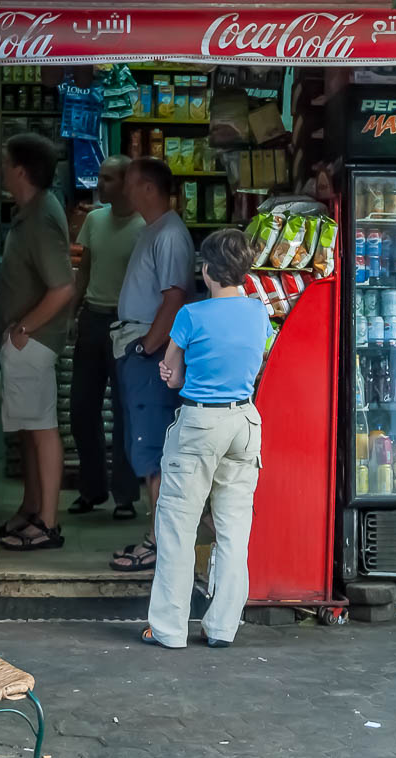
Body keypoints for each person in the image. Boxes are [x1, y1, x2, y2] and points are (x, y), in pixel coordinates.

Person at [139, 229, 271, 649]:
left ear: (207, 270)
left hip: (199, 423)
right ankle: (222, 628)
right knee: (234, 530)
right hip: (245, 422)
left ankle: (169, 629)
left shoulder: (191, 316)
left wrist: (172, 373)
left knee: (178, 527)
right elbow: (255, 362)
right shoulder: (258, 313)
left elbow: (173, 374)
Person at [108, 158, 195, 572]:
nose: (122, 190)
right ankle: (158, 536)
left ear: (147, 188)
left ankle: (162, 542)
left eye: (129, 183)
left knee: (154, 449)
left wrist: (147, 348)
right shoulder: (154, 231)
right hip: (138, 346)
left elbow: (174, 297)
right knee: (144, 449)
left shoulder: (170, 234)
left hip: (150, 351)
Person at [0, 133, 77, 551]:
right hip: (28, 339)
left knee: (42, 428)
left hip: (34, 341)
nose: (1, 169)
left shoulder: (42, 216)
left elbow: (62, 287)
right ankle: (32, 509)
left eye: (6, 162)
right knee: (28, 427)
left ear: (21, 170)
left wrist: (24, 329)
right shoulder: (32, 211)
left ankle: (46, 522)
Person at [70, 156, 145, 520]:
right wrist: (72, 313)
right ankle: (92, 489)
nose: (100, 183)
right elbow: (84, 270)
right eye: (100, 176)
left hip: (128, 324)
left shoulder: (145, 227)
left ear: (127, 182)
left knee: (124, 413)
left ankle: (125, 496)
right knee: (82, 410)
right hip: (92, 319)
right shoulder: (95, 220)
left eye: (108, 178)